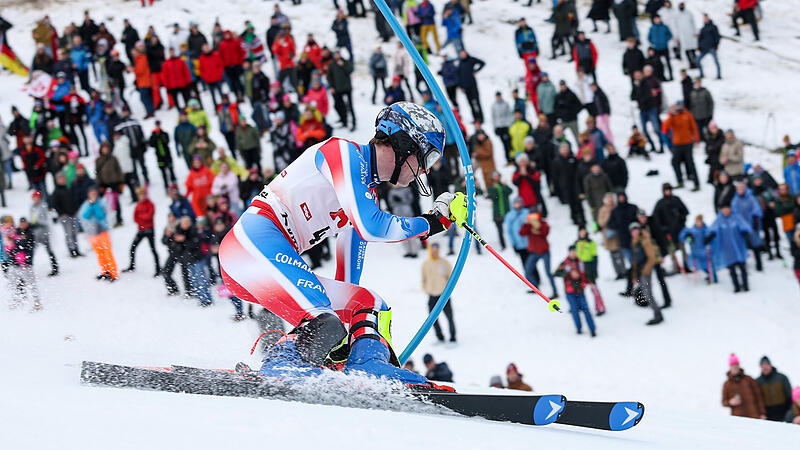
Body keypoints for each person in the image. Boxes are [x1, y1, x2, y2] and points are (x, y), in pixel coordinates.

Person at [218, 102, 462, 385]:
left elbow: (348, 277)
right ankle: (281, 365)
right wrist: (431, 223)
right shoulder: (344, 153)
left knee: (370, 304)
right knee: (324, 321)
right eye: (427, 158)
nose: (426, 171)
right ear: (406, 145)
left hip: (268, 262)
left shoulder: (364, 195)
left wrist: (344, 341)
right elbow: (372, 226)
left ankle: (367, 366)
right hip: (248, 249)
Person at [708, 204, 752, 292]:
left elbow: (744, 226)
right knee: (732, 269)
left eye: (727, 209)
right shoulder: (719, 220)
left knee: (742, 267)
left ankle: (746, 285)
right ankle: (736, 286)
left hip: (739, 247)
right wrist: (709, 237)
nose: (725, 211)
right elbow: (713, 230)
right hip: (727, 249)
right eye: (723, 209)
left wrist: (746, 234)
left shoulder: (736, 217)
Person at [554, 245, 597, 336]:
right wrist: (568, 273)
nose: (573, 253)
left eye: (574, 251)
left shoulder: (581, 263)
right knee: (574, 310)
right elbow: (556, 273)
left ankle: (592, 329)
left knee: (586, 309)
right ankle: (578, 328)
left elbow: (587, 274)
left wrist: (589, 281)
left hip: (580, 290)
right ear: (569, 253)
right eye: (571, 252)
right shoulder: (564, 264)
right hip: (569, 292)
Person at [79, 186, 118, 281]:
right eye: (91, 193)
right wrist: (91, 206)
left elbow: (102, 215)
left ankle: (113, 273)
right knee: (99, 253)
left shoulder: (101, 203)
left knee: (107, 252)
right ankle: (105, 271)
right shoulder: (86, 204)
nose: (93, 195)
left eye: (94, 193)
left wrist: (95, 205)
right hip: (92, 233)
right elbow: (85, 216)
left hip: (102, 231)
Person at [628, 222, 664, 325]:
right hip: (639, 271)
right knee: (645, 293)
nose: (634, 232)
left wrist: (645, 271)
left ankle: (658, 314)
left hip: (645, 271)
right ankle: (656, 312)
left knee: (648, 293)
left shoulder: (645, 241)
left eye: (636, 230)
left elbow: (651, 258)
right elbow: (634, 261)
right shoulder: (634, 242)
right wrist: (634, 275)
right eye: (632, 231)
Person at [4, 219, 42, 311]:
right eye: (21, 223)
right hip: (14, 263)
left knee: (31, 283)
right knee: (14, 283)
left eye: (24, 223)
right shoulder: (15, 233)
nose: (22, 225)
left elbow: (25, 246)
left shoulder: (30, 234)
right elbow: (11, 246)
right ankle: (18, 299)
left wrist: (15, 248)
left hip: (26, 264)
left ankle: (37, 302)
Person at [421, 242, 456, 343]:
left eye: (436, 249)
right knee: (432, 319)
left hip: (444, 296)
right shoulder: (426, 264)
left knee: (449, 317)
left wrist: (448, 291)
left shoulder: (444, 263)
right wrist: (427, 289)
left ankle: (453, 336)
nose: (434, 251)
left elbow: (451, 278)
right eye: (433, 249)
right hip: (432, 295)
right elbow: (423, 278)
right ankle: (440, 336)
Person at [122, 186, 160, 277]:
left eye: (143, 195)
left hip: (150, 230)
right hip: (141, 230)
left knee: (153, 249)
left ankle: (158, 268)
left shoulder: (150, 204)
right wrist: (142, 218)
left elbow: (149, 216)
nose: (141, 197)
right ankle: (132, 265)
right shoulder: (138, 205)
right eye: (140, 195)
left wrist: (141, 217)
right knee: (133, 248)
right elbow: (135, 218)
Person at [662, 102, 700, 190]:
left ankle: (696, 184)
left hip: (687, 143)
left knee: (690, 163)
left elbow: (694, 127)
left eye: (680, 106)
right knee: (675, 162)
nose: (679, 107)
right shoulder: (672, 116)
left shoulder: (687, 115)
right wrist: (671, 115)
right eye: (677, 106)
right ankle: (680, 181)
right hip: (677, 144)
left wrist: (697, 139)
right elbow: (665, 127)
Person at [520, 212, 559, 299]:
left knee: (548, 272)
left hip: (544, 252)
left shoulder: (543, 224)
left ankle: (555, 291)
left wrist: (539, 227)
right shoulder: (529, 226)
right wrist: (526, 224)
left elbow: (545, 232)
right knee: (528, 270)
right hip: (534, 252)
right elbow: (522, 233)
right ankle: (535, 287)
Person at [731, 181, 764, 272]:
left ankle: (759, 265)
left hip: (752, 225)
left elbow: (756, 210)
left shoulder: (751, 198)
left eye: (742, 188)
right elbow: (734, 214)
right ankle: (744, 265)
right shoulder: (735, 200)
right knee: (743, 245)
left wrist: (755, 224)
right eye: (738, 189)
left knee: (755, 245)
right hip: (741, 227)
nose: (740, 191)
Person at [723, 353, 766, 419]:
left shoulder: (748, 379)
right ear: (730, 367)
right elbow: (724, 402)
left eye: (736, 364)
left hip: (754, 416)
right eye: (733, 365)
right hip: (738, 419)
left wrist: (762, 413)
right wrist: (730, 402)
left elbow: (759, 396)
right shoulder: (727, 384)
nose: (735, 367)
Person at [28, 190, 59, 277]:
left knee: (49, 250)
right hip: (35, 232)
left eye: (37, 198)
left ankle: (55, 267)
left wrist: (36, 222)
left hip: (44, 232)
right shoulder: (32, 207)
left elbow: (45, 220)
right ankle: (29, 268)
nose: (35, 199)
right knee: (31, 251)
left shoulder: (43, 206)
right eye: (34, 198)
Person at [679, 214, 718, 283]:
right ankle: (709, 276)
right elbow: (683, 236)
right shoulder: (692, 230)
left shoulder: (705, 229)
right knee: (702, 266)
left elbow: (713, 232)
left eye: (699, 222)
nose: (698, 223)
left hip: (705, 251)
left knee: (710, 265)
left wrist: (710, 237)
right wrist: (688, 236)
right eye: (697, 222)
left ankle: (713, 278)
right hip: (696, 251)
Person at [755, 356, 794, 422]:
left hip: (784, 414)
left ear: (770, 365)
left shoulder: (782, 378)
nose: (765, 367)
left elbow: (790, 396)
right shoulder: (758, 381)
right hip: (768, 416)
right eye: (762, 365)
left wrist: (789, 413)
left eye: (766, 364)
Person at [328, 51, 356, 131]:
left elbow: (350, 70)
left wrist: (343, 65)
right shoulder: (332, 64)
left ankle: (353, 122)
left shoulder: (345, 62)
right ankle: (344, 120)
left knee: (350, 105)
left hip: (347, 88)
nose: (337, 55)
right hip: (337, 89)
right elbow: (329, 76)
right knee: (338, 105)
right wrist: (331, 87)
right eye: (335, 54)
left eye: (338, 54)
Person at [457, 50, 485, 123]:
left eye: (463, 53)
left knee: (477, 102)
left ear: (466, 53)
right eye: (461, 54)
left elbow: (482, 63)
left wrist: (476, 70)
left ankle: (481, 118)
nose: (462, 55)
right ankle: (475, 118)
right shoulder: (460, 63)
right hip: (466, 87)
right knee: (470, 103)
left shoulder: (471, 60)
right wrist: (461, 86)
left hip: (473, 85)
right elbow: (459, 75)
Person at [647, 15, 673, 81]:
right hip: (656, 49)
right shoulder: (652, 28)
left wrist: (665, 40)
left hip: (664, 47)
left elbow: (670, 35)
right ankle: (660, 77)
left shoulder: (664, 27)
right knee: (658, 64)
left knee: (668, 63)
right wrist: (654, 42)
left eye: (658, 19)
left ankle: (671, 76)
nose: (657, 20)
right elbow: (649, 37)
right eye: (656, 19)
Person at [695, 13, 721, 79]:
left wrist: (716, 44)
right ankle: (701, 74)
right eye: (704, 18)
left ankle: (719, 75)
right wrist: (699, 46)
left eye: (706, 18)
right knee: (697, 60)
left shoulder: (713, 27)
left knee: (716, 61)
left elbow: (717, 36)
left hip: (712, 47)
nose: (706, 19)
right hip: (704, 48)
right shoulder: (703, 29)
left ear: (709, 18)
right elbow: (700, 38)